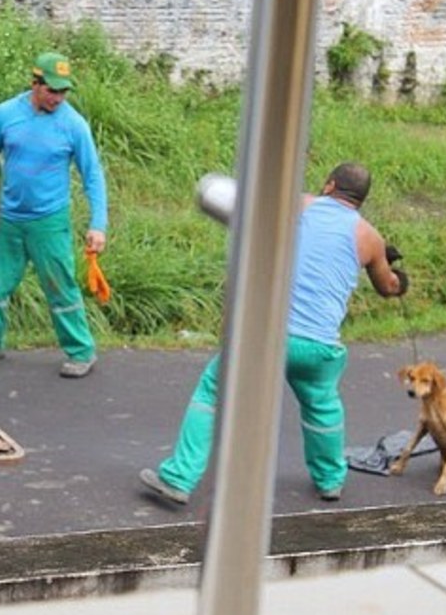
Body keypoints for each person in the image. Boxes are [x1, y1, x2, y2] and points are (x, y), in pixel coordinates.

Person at [140, 162, 408, 504]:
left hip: (266, 338)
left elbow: (248, 210)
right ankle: (330, 481)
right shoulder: (369, 237)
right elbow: (389, 286)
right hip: (319, 348)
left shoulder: (300, 203)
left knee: (212, 390)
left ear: (329, 186)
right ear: (360, 201)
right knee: (322, 406)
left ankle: (178, 478)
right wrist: (392, 269)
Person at [0, 51, 109, 378]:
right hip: (9, 220)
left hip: (49, 223)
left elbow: (93, 176)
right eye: (52, 90)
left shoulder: (73, 125)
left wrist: (98, 224)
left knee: (61, 290)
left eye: (63, 91)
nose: (58, 98)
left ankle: (81, 352)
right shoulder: (6, 115)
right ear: (35, 83)